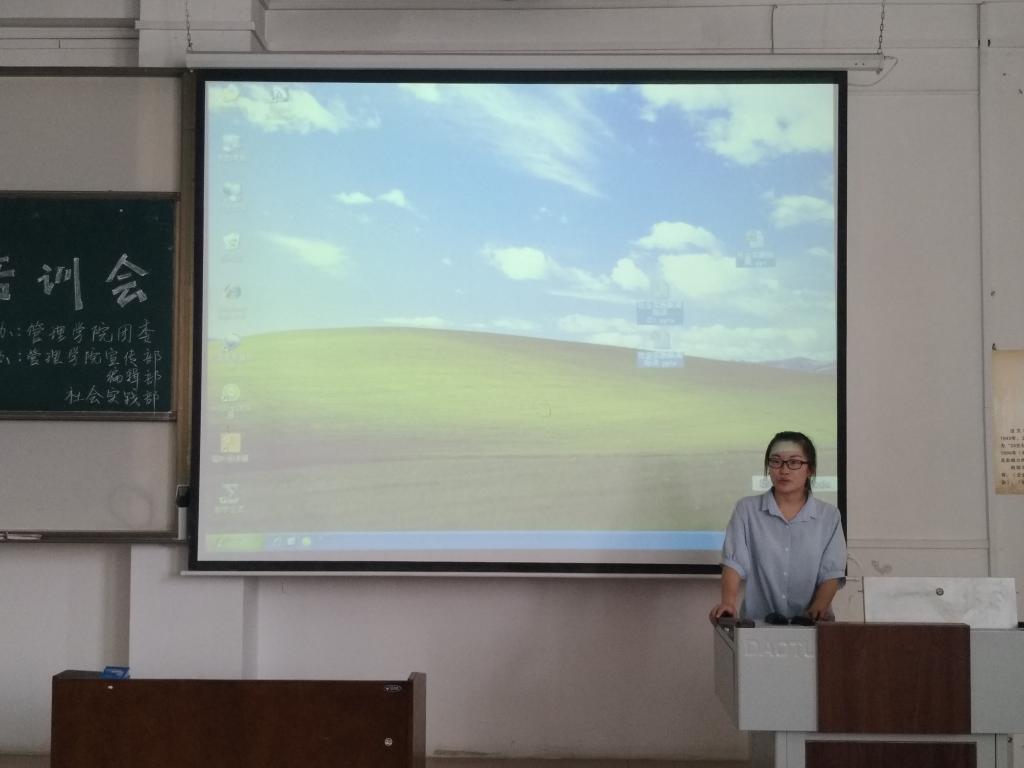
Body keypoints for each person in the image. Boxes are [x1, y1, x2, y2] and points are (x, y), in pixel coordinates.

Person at [708, 431, 846, 624]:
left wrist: (819, 607)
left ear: (810, 470)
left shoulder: (829, 516)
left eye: (794, 462)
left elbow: (831, 572)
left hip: (811, 625)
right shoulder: (746, 510)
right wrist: (728, 603)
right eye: (776, 461)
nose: (784, 470)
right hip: (756, 625)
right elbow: (734, 563)